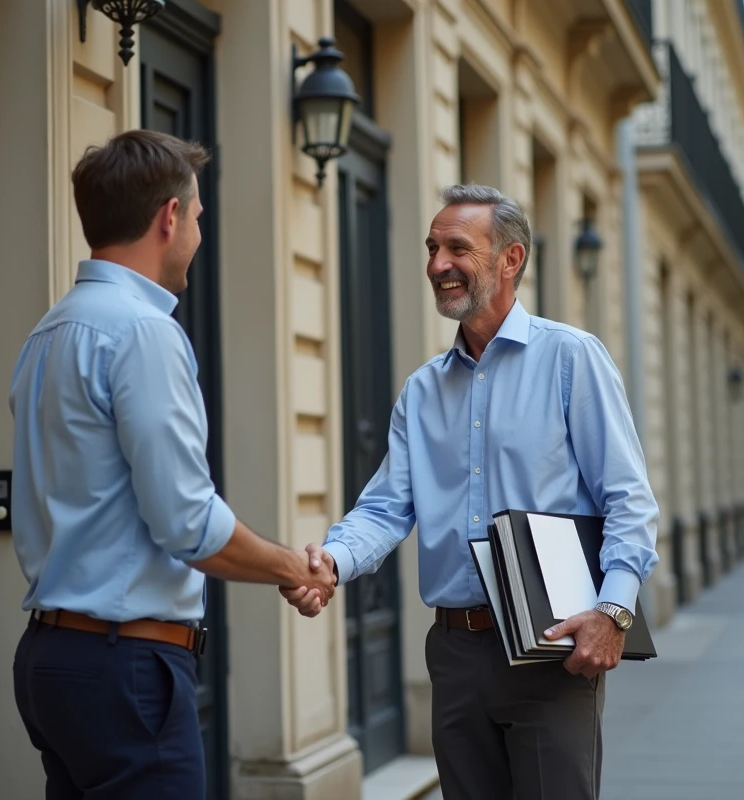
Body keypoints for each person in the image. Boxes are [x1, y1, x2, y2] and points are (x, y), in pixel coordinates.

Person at [282, 185, 659, 800]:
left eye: (458, 247)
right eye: (432, 249)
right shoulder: (423, 391)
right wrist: (330, 562)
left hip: (552, 647)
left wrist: (614, 611)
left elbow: (628, 498)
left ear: (510, 259)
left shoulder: (571, 359)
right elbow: (384, 509)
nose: (437, 265)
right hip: (455, 654)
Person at [8, 130, 336, 799]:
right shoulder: (143, 332)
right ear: (168, 216)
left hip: (52, 661)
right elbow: (187, 523)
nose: (198, 234)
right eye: (198, 218)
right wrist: (291, 569)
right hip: (123, 666)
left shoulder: (49, 331)